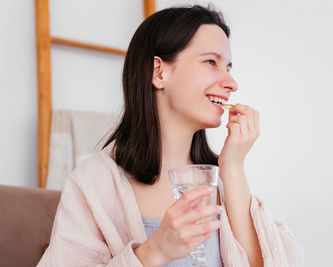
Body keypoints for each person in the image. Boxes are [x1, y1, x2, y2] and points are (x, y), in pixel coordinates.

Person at [38, 4, 304, 267]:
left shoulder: (223, 181)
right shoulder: (94, 182)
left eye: (229, 67)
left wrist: (233, 168)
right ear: (159, 72)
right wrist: (154, 251)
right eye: (211, 62)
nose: (231, 83)